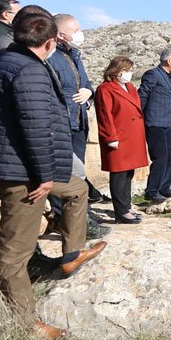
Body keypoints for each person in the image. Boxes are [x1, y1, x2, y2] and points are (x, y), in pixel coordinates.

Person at [0, 13, 106, 340]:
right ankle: (27, 325)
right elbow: (34, 129)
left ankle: (71, 254)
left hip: (20, 165)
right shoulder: (29, 70)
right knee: (14, 254)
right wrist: (44, 177)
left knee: (76, 189)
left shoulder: (8, 59)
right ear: (49, 42)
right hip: (23, 174)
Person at [46, 13, 109, 204]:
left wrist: (88, 94)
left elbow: (86, 83)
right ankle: (62, 214)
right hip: (62, 122)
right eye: (76, 30)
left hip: (79, 121)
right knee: (64, 172)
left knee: (78, 170)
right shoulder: (51, 57)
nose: (80, 34)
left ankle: (79, 212)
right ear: (61, 34)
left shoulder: (75, 55)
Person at [95, 56, 148, 224]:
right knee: (118, 174)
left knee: (129, 173)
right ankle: (121, 212)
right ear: (115, 71)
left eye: (130, 70)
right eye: (125, 70)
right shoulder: (105, 89)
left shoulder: (130, 87)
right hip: (118, 136)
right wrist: (110, 137)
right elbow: (105, 115)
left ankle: (126, 206)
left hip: (132, 136)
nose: (128, 74)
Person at [139, 48, 171, 203]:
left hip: (168, 123)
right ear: (169, 61)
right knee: (160, 158)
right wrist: (139, 118)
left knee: (169, 157)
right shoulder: (153, 74)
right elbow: (142, 96)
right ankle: (151, 191)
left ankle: (165, 187)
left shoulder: (170, 76)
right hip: (155, 122)